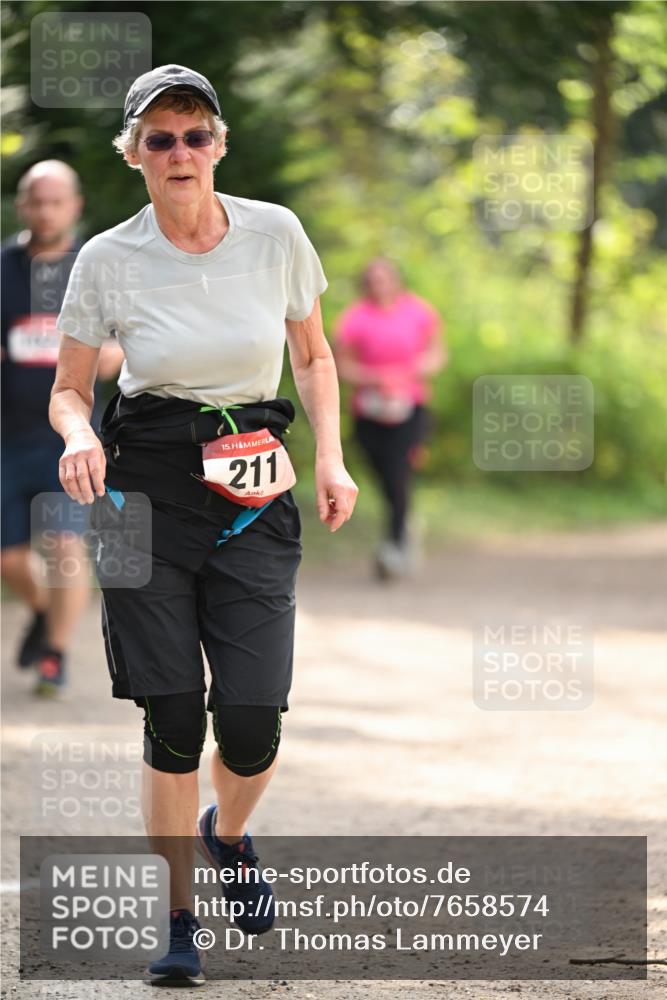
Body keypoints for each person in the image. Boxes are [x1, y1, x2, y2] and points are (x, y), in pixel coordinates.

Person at [50, 64, 358, 986]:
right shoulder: (108, 257)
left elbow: (311, 353)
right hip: (143, 485)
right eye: (159, 138)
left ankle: (230, 829)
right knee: (174, 714)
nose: (179, 152)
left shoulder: (276, 235)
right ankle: (179, 921)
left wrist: (333, 458)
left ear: (218, 144)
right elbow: (70, 388)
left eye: (194, 135)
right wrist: (76, 436)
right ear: (135, 154)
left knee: (255, 717)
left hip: (252, 488)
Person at [1, 160, 124, 695]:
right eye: (36, 200)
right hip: (6, 439)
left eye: (57, 201)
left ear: (75, 206)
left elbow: (121, 350)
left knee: (66, 548)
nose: (46, 210)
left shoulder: (95, 266)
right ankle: (41, 610)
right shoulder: (3, 265)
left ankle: (54, 653)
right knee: (7, 556)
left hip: (71, 440)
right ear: (22, 205)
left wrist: (96, 354)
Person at [334, 257, 446, 579]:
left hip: (410, 408)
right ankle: (404, 522)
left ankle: (393, 546)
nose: (378, 285)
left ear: (396, 280)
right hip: (368, 412)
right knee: (384, 477)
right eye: (372, 279)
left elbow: (436, 355)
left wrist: (405, 374)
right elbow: (340, 366)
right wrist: (375, 378)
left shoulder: (419, 312)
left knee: (399, 473)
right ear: (364, 284)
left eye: (384, 278)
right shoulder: (354, 318)